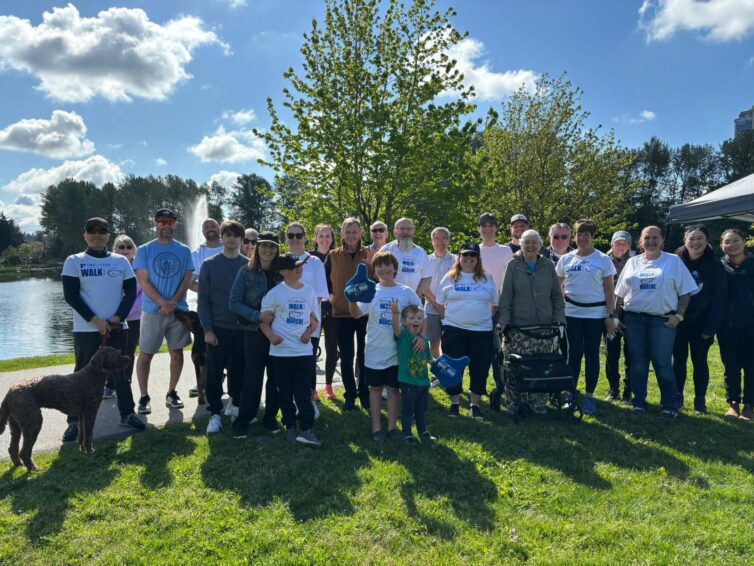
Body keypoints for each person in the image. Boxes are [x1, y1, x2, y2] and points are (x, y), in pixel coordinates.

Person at [60, 217, 144, 442]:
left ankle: (127, 414)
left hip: (117, 327)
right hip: (86, 329)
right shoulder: (74, 261)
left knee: (120, 372)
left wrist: (118, 317)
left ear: (108, 235)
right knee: (81, 374)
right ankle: (74, 421)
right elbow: (71, 296)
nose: (97, 235)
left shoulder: (120, 261)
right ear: (85, 235)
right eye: (92, 231)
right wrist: (95, 320)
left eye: (102, 231)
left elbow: (130, 292)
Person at [615, 226, 698, 420]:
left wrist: (679, 316)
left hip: (662, 321)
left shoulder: (673, 261)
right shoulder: (633, 262)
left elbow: (686, 292)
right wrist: (615, 316)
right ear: (640, 241)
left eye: (655, 238)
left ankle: (669, 405)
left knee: (662, 364)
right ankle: (639, 402)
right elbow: (620, 293)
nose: (650, 241)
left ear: (661, 240)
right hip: (634, 319)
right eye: (646, 238)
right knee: (638, 363)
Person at [348, 251, 421, 440]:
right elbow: (356, 314)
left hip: (397, 352)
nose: (384, 269)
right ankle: (376, 429)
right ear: (374, 271)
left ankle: (392, 428)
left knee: (394, 390)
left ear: (395, 268)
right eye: (379, 265)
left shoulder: (406, 292)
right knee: (375, 389)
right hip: (375, 350)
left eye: (387, 264)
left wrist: (421, 337)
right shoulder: (371, 291)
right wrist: (351, 299)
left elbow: (422, 316)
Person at [497, 229, 566, 413]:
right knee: (516, 366)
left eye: (534, 242)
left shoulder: (548, 266)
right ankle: (514, 401)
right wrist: (503, 321)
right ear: (521, 244)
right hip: (519, 328)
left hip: (544, 327)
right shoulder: (512, 265)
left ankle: (538, 401)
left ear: (540, 245)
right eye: (526, 242)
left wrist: (560, 318)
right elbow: (505, 296)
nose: (530, 246)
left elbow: (557, 296)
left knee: (541, 365)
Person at [133, 208, 194, 414]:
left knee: (177, 353)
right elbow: (144, 281)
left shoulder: (184, 250)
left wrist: (173, 302)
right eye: (161, 222)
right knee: (146, 354)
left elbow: (187, 278)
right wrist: (162, 303)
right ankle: (144, 396)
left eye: (170, 222)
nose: (166, 226)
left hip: (178, 310)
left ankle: (172, 392)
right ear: (155, 223)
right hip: (153, 311)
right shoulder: (144, 250)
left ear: (175, 224)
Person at [258, 253, 321, 446]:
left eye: (301, 265)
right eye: (295, 266)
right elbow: (263, 321)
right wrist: (271, 337)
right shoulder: (275, 294)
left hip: (303, 352)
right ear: (282, 272)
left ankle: (307, 429)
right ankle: (290, 425)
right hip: (281, 353)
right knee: (284, 392)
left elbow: (315, 319)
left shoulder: (309, 292)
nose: (299, 269)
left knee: (303, 391)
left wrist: (308, 333)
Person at [555, 219, 617, 415]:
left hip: (595, 314)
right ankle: (571, 393)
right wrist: (560, 307)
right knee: (573, 354)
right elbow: (557, 286)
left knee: (591, 354)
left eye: (586, 235)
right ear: (574, 237)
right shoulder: (566, 259)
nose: (582, 239)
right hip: (571, 314)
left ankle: (589, 396)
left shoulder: (603, 260)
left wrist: (610, 315)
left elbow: (609, 290)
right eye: (579, 235)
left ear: (593, 237)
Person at [435, 243, 499, 420]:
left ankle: (475, 404)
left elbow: (494, 304)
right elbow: (439, 303)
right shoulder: (450, 277)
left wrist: (481, 319)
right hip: (454, 330)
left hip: (481, 331)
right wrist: (447, 320)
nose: (468, 259)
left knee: (479, 367)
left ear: (478, 258)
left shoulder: (487, 278)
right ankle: (455, 403)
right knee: (453, 368)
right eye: (465, 255)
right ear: (459, 258)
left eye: (472, 255)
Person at [229, 231, 283, 438]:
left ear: (277, 249)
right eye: (264, 245)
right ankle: (244, 420)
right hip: (254, 332)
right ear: (257, 248)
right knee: (252, 377)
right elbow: (234, 303)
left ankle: (270, 418)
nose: (268, 250)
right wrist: (257, 316)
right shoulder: (246, 271)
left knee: (275, 377)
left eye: (272, 246)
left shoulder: (282, 273)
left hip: (278, 332)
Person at [200, 220, 248, 434]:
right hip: (217, 329)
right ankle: (215, 414)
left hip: (242, 329)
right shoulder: (209, 265)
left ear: (241, 239)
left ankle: (236, 406)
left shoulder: (248, 265)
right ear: (222, 237)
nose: (231, 239)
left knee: (239, 371)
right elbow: (203, 300)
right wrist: (207, 329)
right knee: (214, 374)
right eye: (227, 235)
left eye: (236, 235)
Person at [673, 226, 728, 414]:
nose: (695, 243)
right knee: (678, 361)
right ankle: (677, 398)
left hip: (702, 323)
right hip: (678, 321)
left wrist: (711, 327)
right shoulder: (675, 261)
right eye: (692, 238)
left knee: (700, 362)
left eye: (700, 239)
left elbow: (720, 298)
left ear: (707, 241)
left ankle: (699, 402)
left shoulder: (715, 265)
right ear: (685, 240)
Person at [324, 217, 373, 411]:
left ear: (361, 233)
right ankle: (350, 395)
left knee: (364, 356)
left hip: (364, 314)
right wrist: (330, 296)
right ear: (342, 233)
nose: (351, 235)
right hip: (341, 314)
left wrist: (371, 263)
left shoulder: (369, 254)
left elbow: (379, 279)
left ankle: (364, 393)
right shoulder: (332, 255)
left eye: (354, 231)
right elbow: (323, 280)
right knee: (346, 356)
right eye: (347, 231)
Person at [284, 222, 329, 403]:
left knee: (308, 363)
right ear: (286, 238)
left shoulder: (314, 262)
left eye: (299, 235)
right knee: (288, 362)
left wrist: (307, 323)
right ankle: (290, 399)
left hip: (310, 322)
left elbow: (319, 295)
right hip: (286, 322)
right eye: (291, 235)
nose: (295, 239)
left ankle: (310, 397)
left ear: (305, 238)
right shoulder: (282, 261)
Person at [718, 229, 754, 420]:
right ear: (721, 245)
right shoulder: (720, 266)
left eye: (736, 240)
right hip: (727, 327)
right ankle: (733, 404)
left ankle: (749, 406)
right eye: (727, 242)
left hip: (751, 325)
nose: (732, 245)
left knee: (751, 366)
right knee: (730, 366)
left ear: (744, 241)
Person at [391, 303, 433, 443]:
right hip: (408, 381)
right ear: (404, 322)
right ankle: (407, 434)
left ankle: (423, 431)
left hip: (424, 382)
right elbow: (395, 328)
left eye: (419, 318)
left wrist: (442, 367)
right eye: (412, 318)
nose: (416, 320)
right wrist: (395, 314)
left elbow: (430, 360)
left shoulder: (424, 341)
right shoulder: (403, 336)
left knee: (422, 409)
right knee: (408, 409)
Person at [605, 230, 635, 402]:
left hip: (630, 312)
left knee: (631, 353)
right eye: (617, 243)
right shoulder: (604, 260)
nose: (621, 246)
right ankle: (613, 388)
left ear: (630, 245)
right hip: (610, 312)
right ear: (612, 244)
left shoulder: (636, 260)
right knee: (612, 353)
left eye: (624, 243)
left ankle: (628, 390)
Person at [112, 234, 142, 399]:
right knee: (110, 351)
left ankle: (126, 382)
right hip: (111, 318)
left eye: (128, 247)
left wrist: (124, 312)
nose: (125, 250)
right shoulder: (109, 266)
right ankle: (110, 384)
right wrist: (115, 313)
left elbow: (143, 295)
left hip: (133, 319)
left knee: (128, 353)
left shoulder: (140, 268)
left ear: (133, 250)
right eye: (121, 247)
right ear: (114, 249)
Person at [310, 224, 338, 400]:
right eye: (321, 236)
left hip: (333, 309)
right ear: (315, 238)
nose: (324, 239)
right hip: (314, 308)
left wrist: (334, 295)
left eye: (328, 236)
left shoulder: (337, 257)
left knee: (332, 348)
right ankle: (312, 388)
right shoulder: (309, 258)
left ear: (332, 239)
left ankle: (328, 386)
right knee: (312, 349)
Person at [379, 218, 432, 296]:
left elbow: (427, 277)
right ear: (394, 232)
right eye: (402, 229)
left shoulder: (421, 253)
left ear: (413, 232)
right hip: (388, 298)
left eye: (409, 229)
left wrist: (416, 296)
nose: (405, 232)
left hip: (413, 300)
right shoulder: (385, 250)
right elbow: (378, 274)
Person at [424, 227, 455, 359]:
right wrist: (437, 303)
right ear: (432, 241)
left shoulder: (457, 260)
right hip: (431, 308)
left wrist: (445, 305)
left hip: (451, 309)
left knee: (450, 343)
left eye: (444, 238)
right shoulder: (425, 260)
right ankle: (437, 368)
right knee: (433, 342)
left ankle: (450, 368)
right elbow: (423, 285)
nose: (440, 242)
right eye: (436, 238)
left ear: (448, 241)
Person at [190, 218, 223, 293]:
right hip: (207, 299)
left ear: (219, 228)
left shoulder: (231, 248)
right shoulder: (196, 254)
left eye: (213, 226)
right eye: (206, 227)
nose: (210, 229)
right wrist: (210, 292)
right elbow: (190, 282)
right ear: (203, 232)